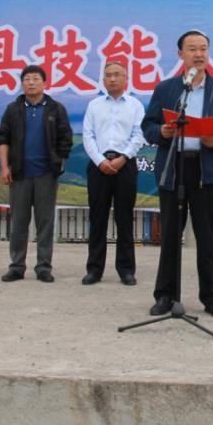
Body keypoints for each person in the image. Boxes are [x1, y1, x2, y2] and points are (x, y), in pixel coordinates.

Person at [141, 30, 213, 318]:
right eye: (192, 49)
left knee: (207, 236)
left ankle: (211, 298)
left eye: (203, 48)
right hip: (174, 167)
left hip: (206, 170)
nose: (199, 54)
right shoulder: (167, 89)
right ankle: (165, 295)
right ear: (180, 54)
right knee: (170, 235)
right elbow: (148, 127)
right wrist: (162, 132)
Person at [0, 65, 73, 284]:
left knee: (45, 222)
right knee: (19, 223)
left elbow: (65, 139)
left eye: (35, 78)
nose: (31, 83)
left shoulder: (55, 109)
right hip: (19, 174)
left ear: (44, 83)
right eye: (27, 79)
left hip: (46, 174)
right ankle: (16, 266)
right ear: (22, 83)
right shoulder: (13, 109)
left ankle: (43, 267)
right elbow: (3, 139)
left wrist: (58, 161)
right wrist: (5, 167)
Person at [81, 61, 145, 286]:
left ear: (126, 78)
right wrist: (100, 161)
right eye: (108, 75)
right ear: (103, 80)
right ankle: (94, 269)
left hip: (124, 165)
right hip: (98, 165)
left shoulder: (135, 105)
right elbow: (87, 135)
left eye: (117, 75)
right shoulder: (94, 105)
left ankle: (126, 270)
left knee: (124, 218)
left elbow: (138, 135)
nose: (112, 79)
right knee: (97, 218)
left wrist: (123, 158)